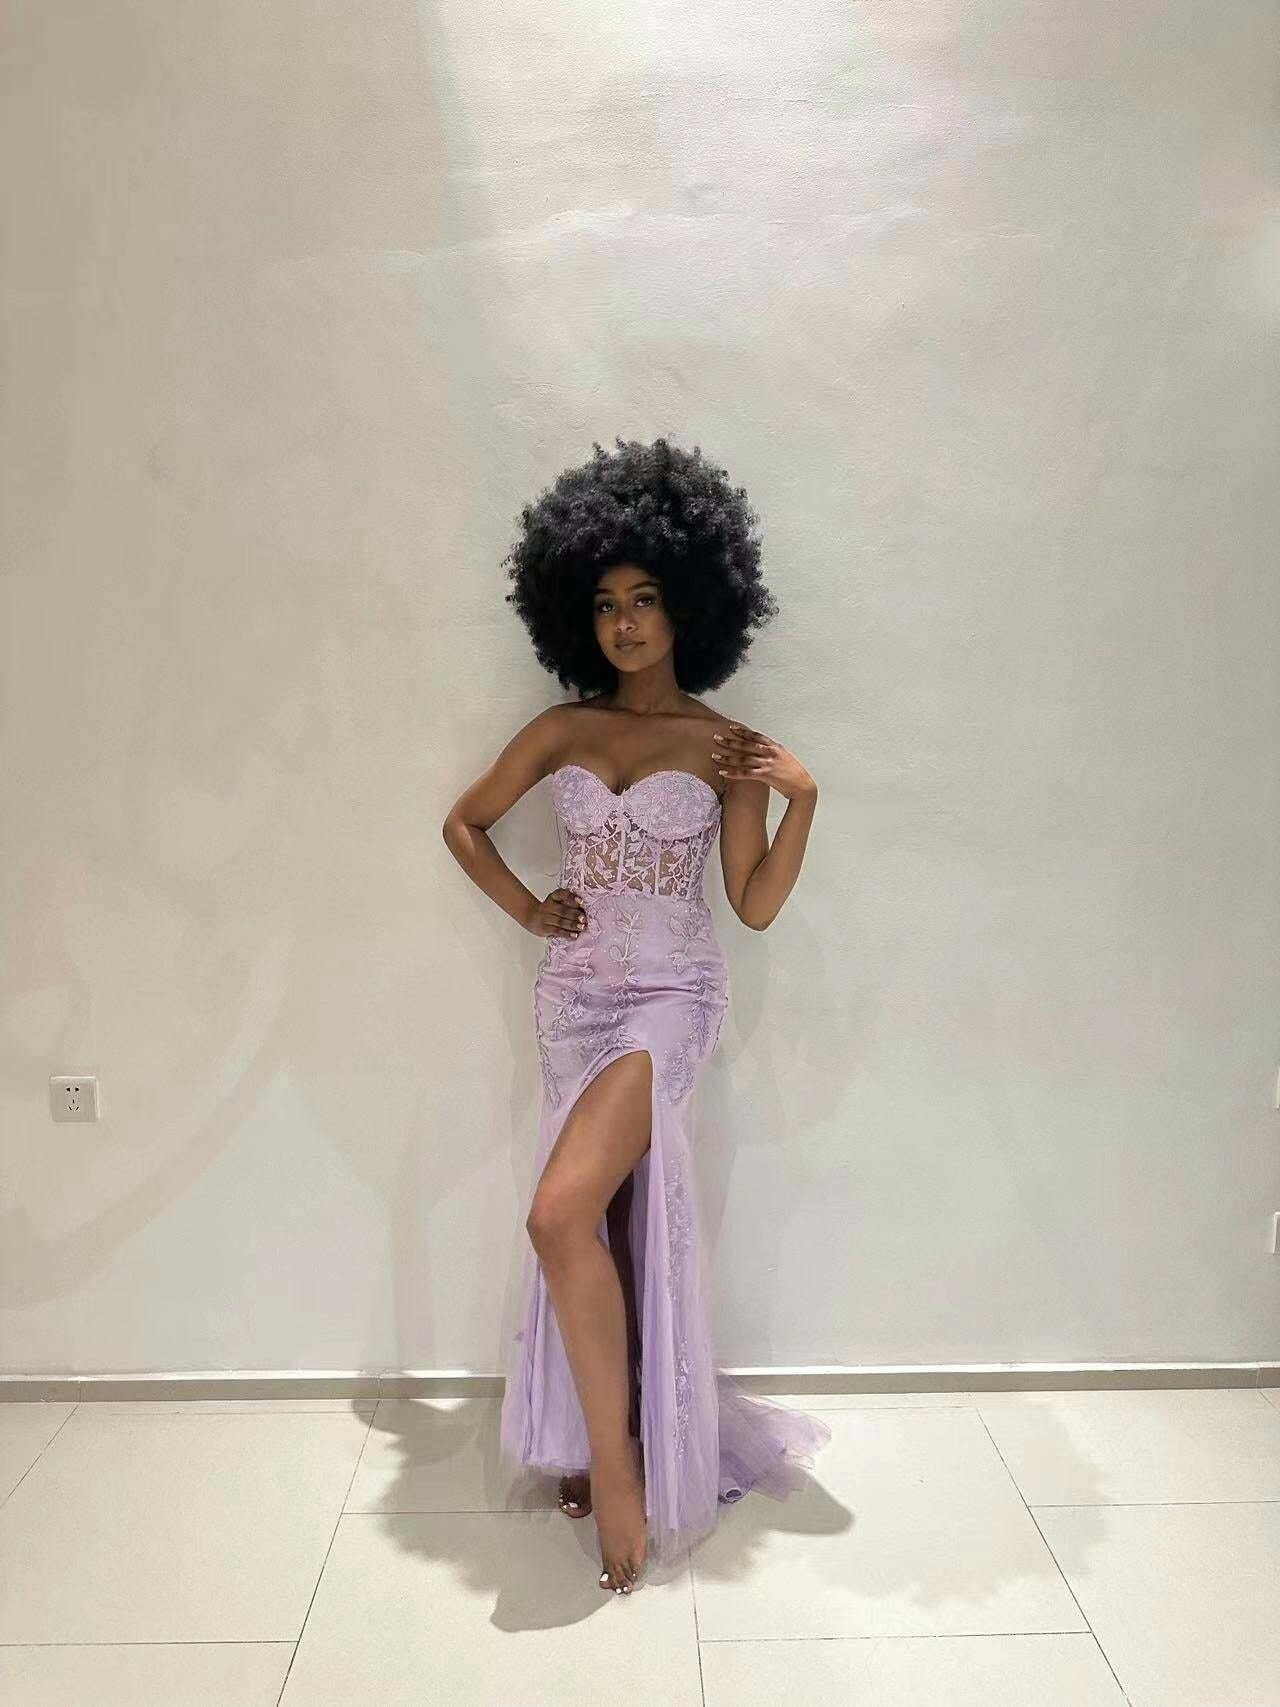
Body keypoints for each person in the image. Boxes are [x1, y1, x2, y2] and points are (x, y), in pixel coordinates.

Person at [442, 436, 831, 1596]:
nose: (623, 623)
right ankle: (607, 1431)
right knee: (601, 1225)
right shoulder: (559, 730)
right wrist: (529, 909)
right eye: (605, 603)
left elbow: (751, 904)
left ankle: (616, 1469)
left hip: (670, 1000)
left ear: (689, 603)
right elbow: (464, 822)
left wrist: (801, 799)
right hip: (571, 1000)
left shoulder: (721, 749)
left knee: (556, 1212)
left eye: (644, 599)